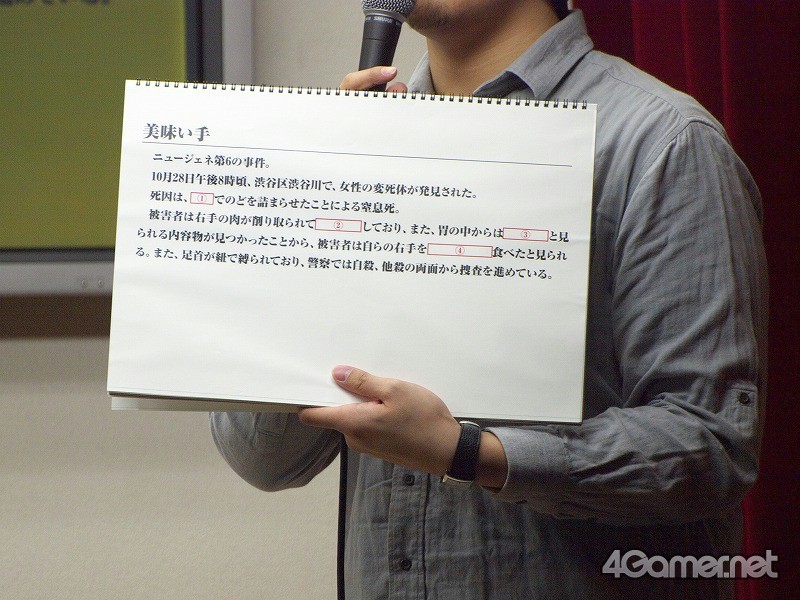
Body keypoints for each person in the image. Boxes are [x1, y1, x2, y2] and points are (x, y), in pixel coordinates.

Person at [210, 1, 768, 598]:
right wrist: (316, 218)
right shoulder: (360, 142)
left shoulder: (660, 140)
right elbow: (263, 458)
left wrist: (470, 453)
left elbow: (710, 447)